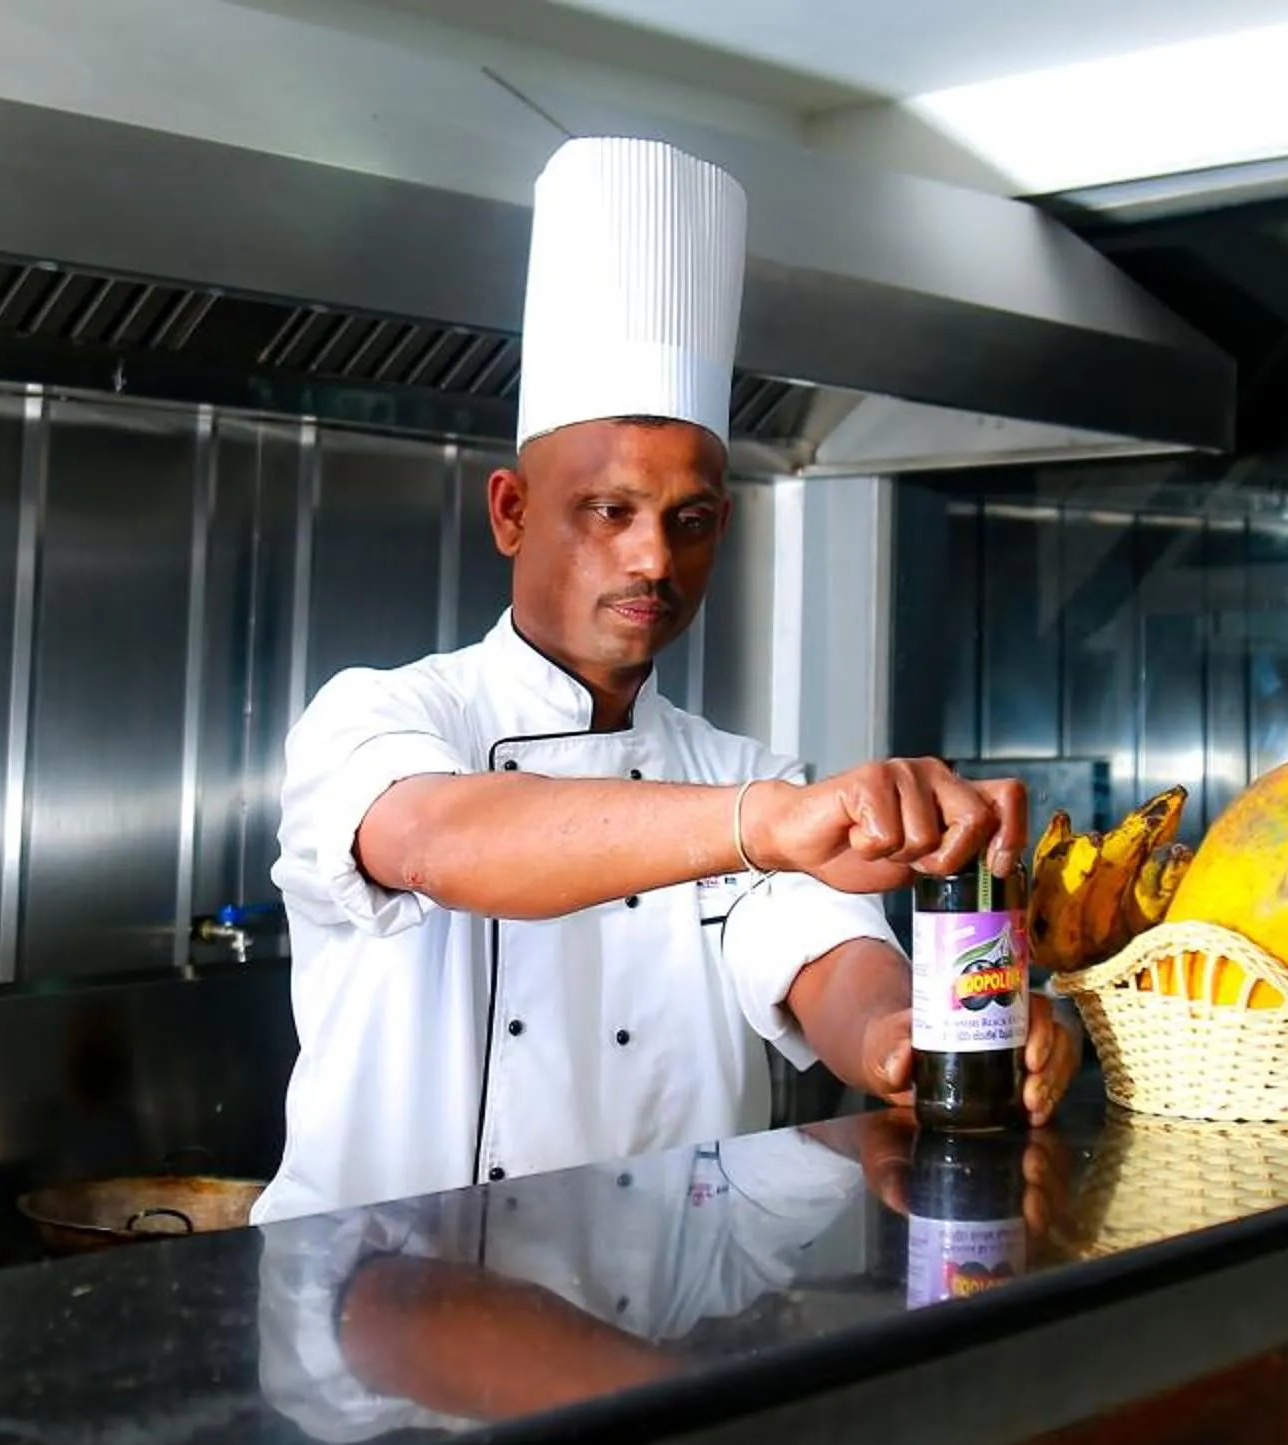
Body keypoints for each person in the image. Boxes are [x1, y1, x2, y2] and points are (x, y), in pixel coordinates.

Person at [253, 137, 1080, 1224]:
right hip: (377, 1323)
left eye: (690, 521)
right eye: (609, 511)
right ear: (510, 511)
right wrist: (766, 823)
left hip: (664, 1320)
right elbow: (440, 842)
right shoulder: (383, 713)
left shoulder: (739, 775)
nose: (654, 558)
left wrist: (911, 1037)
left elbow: (828, 961)